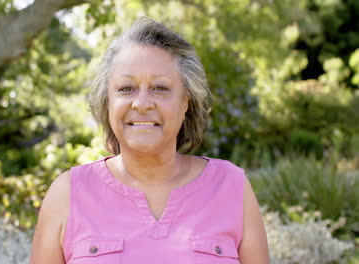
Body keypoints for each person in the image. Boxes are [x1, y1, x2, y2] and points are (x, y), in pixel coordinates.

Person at [30, 17, 269, 264]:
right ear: (108, 101)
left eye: (160, 88)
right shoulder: (68, 194)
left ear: (185, 102)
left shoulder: (232, 187)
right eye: (126, 88)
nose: (142, 103)